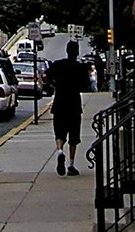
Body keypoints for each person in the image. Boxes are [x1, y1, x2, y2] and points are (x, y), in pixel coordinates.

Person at [45, 39, 90, 176]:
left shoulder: (58, 65)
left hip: (59, 101)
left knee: (59, 131)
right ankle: (71, 165)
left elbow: (46, 76)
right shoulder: (80, 67)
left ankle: (59, 151)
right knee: (73, 135)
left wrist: (55, 85)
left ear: (66, 51)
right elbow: (86, 85)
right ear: (77, 52)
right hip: (74, 103)